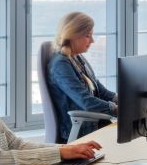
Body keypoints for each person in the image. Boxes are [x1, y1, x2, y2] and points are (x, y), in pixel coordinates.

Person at [47, 11, 116, 140]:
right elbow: (86, 101)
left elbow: (100, 91)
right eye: (88, 36)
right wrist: (116, 109)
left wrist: (122, 100)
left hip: (96, 124)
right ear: (73, 35)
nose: (92, 41)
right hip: (82, 131)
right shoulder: (60, 65)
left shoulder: (77, 58)